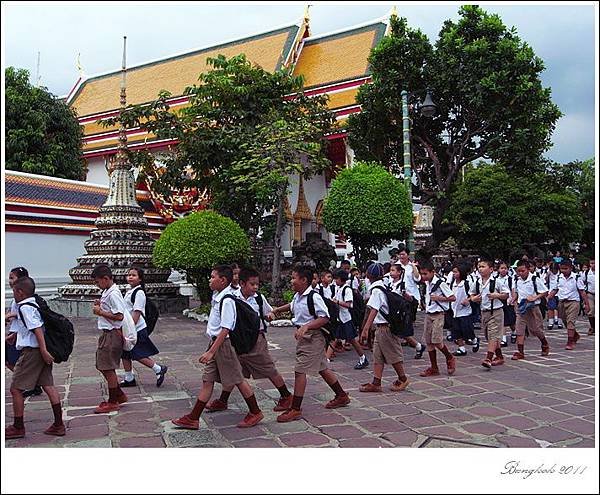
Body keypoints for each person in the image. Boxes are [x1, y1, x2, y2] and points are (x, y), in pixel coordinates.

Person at [172, 265, 263, 430]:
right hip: (215, 343)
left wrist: (211, 351)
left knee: (238, 379)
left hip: (223, 345)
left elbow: (226, 328)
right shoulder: (218, 296)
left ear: (222, 280)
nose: (210, 279)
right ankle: (193, 418)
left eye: (213, 277)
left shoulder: (227, 300)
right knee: (207, 380)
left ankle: (255, 411)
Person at [269, 265, 351, 423]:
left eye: (294, 278)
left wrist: (306, 326)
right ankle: (341, 396)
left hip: (313, 337)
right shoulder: (298, 296)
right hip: (304, 337)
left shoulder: (314, 297)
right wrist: (276, 310)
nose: (291, 281)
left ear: (304, 280)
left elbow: (324, 317)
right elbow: (291, 306)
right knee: (322, 368)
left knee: (300, 371)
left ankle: (295, 408)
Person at [205, 267, 293, 413]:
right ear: (242, 283)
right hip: (237, 340)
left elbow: (268, 312)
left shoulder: (259, 298)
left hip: (256, 340)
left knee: (268, 368)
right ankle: (223, 400)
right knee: (234, 371)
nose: (255, 287)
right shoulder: (232, 297)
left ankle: (286, 395)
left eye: (257, 284)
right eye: (252, 284)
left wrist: (270, 315)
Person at [5, 276, 65, 439]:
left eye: (14, 291)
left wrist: (44, 350)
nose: (14, 294)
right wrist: (15, 337)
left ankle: (18, 426)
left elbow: (37, 328)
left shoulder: (24, 307)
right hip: (39, 350)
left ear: (20, 292)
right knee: (48, 385)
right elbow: (30, 328)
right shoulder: (34, 302)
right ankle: (58, 424)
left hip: (33, 352)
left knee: (16, 388)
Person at [359, 263, 410, 392]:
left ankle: (403, 378)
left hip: (385, 328)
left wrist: (365, 329)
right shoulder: (383, 287)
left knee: (393, 355)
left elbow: (374, 310)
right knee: (378, 356)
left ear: (369, 276)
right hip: (380, 328)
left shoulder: (376, 291)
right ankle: (376, 382)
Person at [119, 267, 168, 388]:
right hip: (128, 327)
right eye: (129, 275)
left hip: (137, 328)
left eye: (134, 275)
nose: (130, 277)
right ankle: (129, 378)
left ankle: (158, 368)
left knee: (137, 353)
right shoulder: (129, 291)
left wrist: (130, 329)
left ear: (140, 279)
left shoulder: (139, 293)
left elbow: (137, 312)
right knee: (125, 353)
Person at [92, 264, 128, 414]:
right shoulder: (108, 291)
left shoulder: (113, 293)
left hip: (112, 333)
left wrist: (101, 312)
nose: (97, 285)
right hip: (107, 332)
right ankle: (118, 393)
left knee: (107, 367)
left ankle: (113, 400)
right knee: (102, 364)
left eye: (98, 282)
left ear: (106, 279)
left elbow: (119, 316)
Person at [5, 267, 43, 398]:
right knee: (8, 360)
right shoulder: (16, 297)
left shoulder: (23, 301)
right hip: (16, 333)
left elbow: (31, 322)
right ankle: (30, 382)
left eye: (12, 278)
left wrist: (11, 315)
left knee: (17, 362)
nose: (10, 281)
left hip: (22, 336)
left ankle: (29, 382)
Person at [418, 260, 457, 377]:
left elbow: (452, 297)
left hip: (438, 314)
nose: (423, 276)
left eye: (425, 274)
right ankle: (434, 367)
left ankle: (449, 357)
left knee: (437, 340)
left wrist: (439, 298)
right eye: (422, 274)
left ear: (432, 272)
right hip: (428, 314)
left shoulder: (440, 283)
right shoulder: (427, 284)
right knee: (429, 341)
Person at [469, 259, 510, 369]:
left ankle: (488, 358)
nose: (480, 268)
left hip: (496, 311)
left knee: (493, 334)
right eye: (479, 266)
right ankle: (500, 356)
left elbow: (506, 294)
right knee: (489, 336)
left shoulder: (497, 282)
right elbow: (471, 294)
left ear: (491, 269)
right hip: (484, 312)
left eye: (483, 266)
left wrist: (497, 295)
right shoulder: (477, 282)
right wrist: (474, 298)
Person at [511, 260, 551, 360]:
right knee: (519, 329)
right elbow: (516, 291)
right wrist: (514, 299)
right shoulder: (517, 280)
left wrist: (535, 297)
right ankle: (520, 351)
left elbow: (545, 291)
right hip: (521, 307)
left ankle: (544, 343)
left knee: (536, 329)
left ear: (528, 269)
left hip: (533, 308)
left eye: (523, 271)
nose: (520, 273)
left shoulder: (534, 279)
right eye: (518, 271)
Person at [330, 268, 369, 369]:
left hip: (346, 318)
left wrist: (337, 302)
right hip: (340, 318)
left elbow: (349, 304)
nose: (335, 281)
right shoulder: (339, 288)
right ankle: (326, 359)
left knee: (352, 339)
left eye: (336, 279)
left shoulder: (347, 290)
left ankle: (363, 357)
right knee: (334, 338)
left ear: (342, 279)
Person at [389, 263, 425, 359]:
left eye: (393, 270)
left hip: (401, 312)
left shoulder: (403, 285)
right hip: (393, 311)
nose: (391, 273)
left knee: (403, 333)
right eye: (390, 270)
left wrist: (405, 295)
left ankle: (418, 346)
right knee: (395, 333)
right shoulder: (390, 283)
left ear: (399, 272)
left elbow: (411, 299)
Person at [548, 259, 584, 350]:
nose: (563, 271)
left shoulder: (576, 277)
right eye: (562, 269)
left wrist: (586, 304)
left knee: (570, 321)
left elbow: (582, 291)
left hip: (573, 301)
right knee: (565, 320)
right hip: (562, 302)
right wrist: (549, 297)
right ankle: (575, 335)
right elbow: (555, 289)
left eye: (566, 268)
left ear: (571, 268)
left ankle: (570, 341)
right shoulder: (559, 278)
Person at [449, 263, 476, 357]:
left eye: (456, 272)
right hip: (455, 311)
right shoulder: (452, 284)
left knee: (467, 330)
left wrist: (467, 300)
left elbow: (474, 294)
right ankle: (461, 348)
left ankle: (474, 340)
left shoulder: (466, 283)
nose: (454, 274)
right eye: (453, 272)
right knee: (456, 331)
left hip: (464, 311)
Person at [496, 261, 517, 347]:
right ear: (498, 269)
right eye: (501, 268)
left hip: (508, 302)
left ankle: (514, 331)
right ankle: (503, 338)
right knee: (502, 320)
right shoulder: (495, 279)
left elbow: (513, 290)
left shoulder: (510, 279)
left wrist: (513, 299)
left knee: (511, 321)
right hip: (499, 302)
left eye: (505, 268)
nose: (503, 270)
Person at [580, 258, 595, 336]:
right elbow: (582, 283)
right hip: (590, 294)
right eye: (591, 263)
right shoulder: (586, 273)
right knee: (590, 311)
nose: (593, 265)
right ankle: (592, 327)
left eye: (594, 263)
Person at [546, 262, 562, 330]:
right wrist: (548, 274)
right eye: (552, 269)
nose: (553, 271)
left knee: (559, 308)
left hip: (560, 293)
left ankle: (560, 322)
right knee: (550, 308)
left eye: (554, 269)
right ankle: (551, 322)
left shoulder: (561, 274)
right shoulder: (549, 274)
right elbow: (545, 281)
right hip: (551, 292)